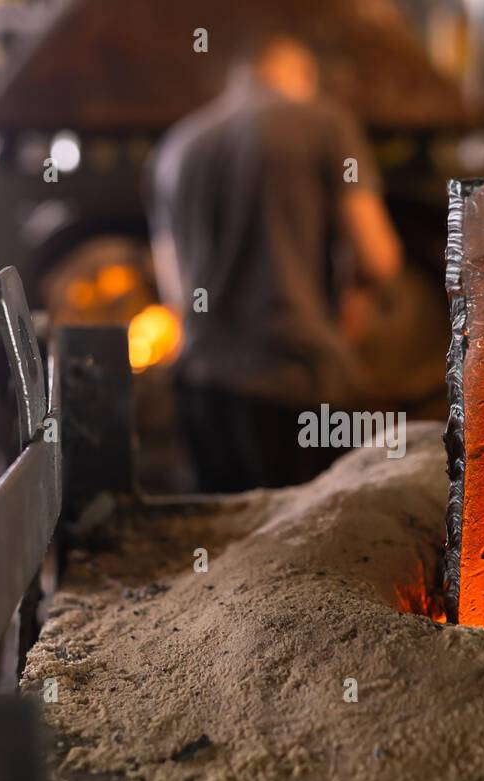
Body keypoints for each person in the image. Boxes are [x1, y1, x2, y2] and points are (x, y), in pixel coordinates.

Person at [149, 33, 402, 493]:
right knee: (300, 550)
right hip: (295, 384)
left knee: (223, 543)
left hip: (202, 387)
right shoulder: (325, 124)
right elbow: (378, 256)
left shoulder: (177, 146)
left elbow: (175, 292)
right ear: (297, 72)